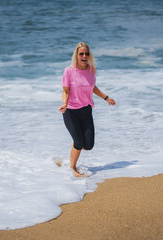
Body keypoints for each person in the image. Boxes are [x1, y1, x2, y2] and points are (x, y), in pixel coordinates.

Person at [58, 42, 116, 177]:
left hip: (86, 110)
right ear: (77, 55)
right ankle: (72, 167)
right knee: (79, 141)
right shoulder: (69, 71)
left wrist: (106, 97)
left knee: (88, 145)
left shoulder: (91, 70)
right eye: (81, 54)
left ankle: (75, 144)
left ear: (89, 55)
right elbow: (65, 91)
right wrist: (65, 104)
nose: (84, 56)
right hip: (70, 111)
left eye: (86, 53)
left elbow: (92, 87)